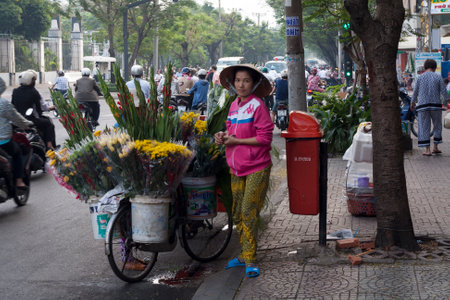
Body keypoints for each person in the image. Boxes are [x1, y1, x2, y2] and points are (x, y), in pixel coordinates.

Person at [214, 64, 273, 278]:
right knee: (237, 212)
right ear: (232, 83)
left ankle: (250, 258)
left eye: (246, 80)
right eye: (238, 80)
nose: (241, 84)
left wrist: (236, 140)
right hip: (236, 167)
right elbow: (230, 130)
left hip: (257, 167)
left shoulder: (258, 106)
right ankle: (243, 254)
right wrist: (221, 136)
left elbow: (265, 139)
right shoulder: (233, 105)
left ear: (254, 83)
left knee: (248, 211)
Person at [0, 77, 34, 189]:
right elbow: (17, 119)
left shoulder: (14, 93)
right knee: (17, 153)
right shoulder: (3, 103)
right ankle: (19, 181)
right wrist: (28, 124)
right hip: (3, 142)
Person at [411, 59, 449, 156]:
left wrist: (412, 103)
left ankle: (427, 150)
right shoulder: (438, 76)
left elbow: (415, 92)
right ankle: (435, 147)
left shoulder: (420, 78)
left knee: (424, 126)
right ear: (435, 67)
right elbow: (444, 91)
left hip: (423, 106)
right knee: (437, 126)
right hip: (436, 105)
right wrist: (448, 101)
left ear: (424, 67)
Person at [12, 70, 56, 150]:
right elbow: (42, 107)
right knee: (49, 123)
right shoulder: (34, 92)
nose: (34, 82)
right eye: (33, 80)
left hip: (17, 121)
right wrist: (51, 108)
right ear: (30, 81)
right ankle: (50, 145)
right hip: (31, 120)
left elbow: (13, 106)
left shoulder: (15, 91)